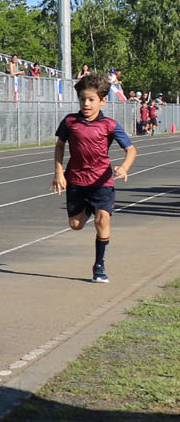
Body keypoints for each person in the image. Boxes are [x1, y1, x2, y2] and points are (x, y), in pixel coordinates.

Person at [52, 71, 136, 284]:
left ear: (103, 101)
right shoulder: (70, 122)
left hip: (102, 180)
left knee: (103, 219)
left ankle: (99, 265)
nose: (86, 104)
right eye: (82, 99)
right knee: (76, 225)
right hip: (77, 180)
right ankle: (87, 208)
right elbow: (60, 146)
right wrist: (59, 173)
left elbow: (131, 150)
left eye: (91, 99)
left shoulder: (110, 125)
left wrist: (124, 167)